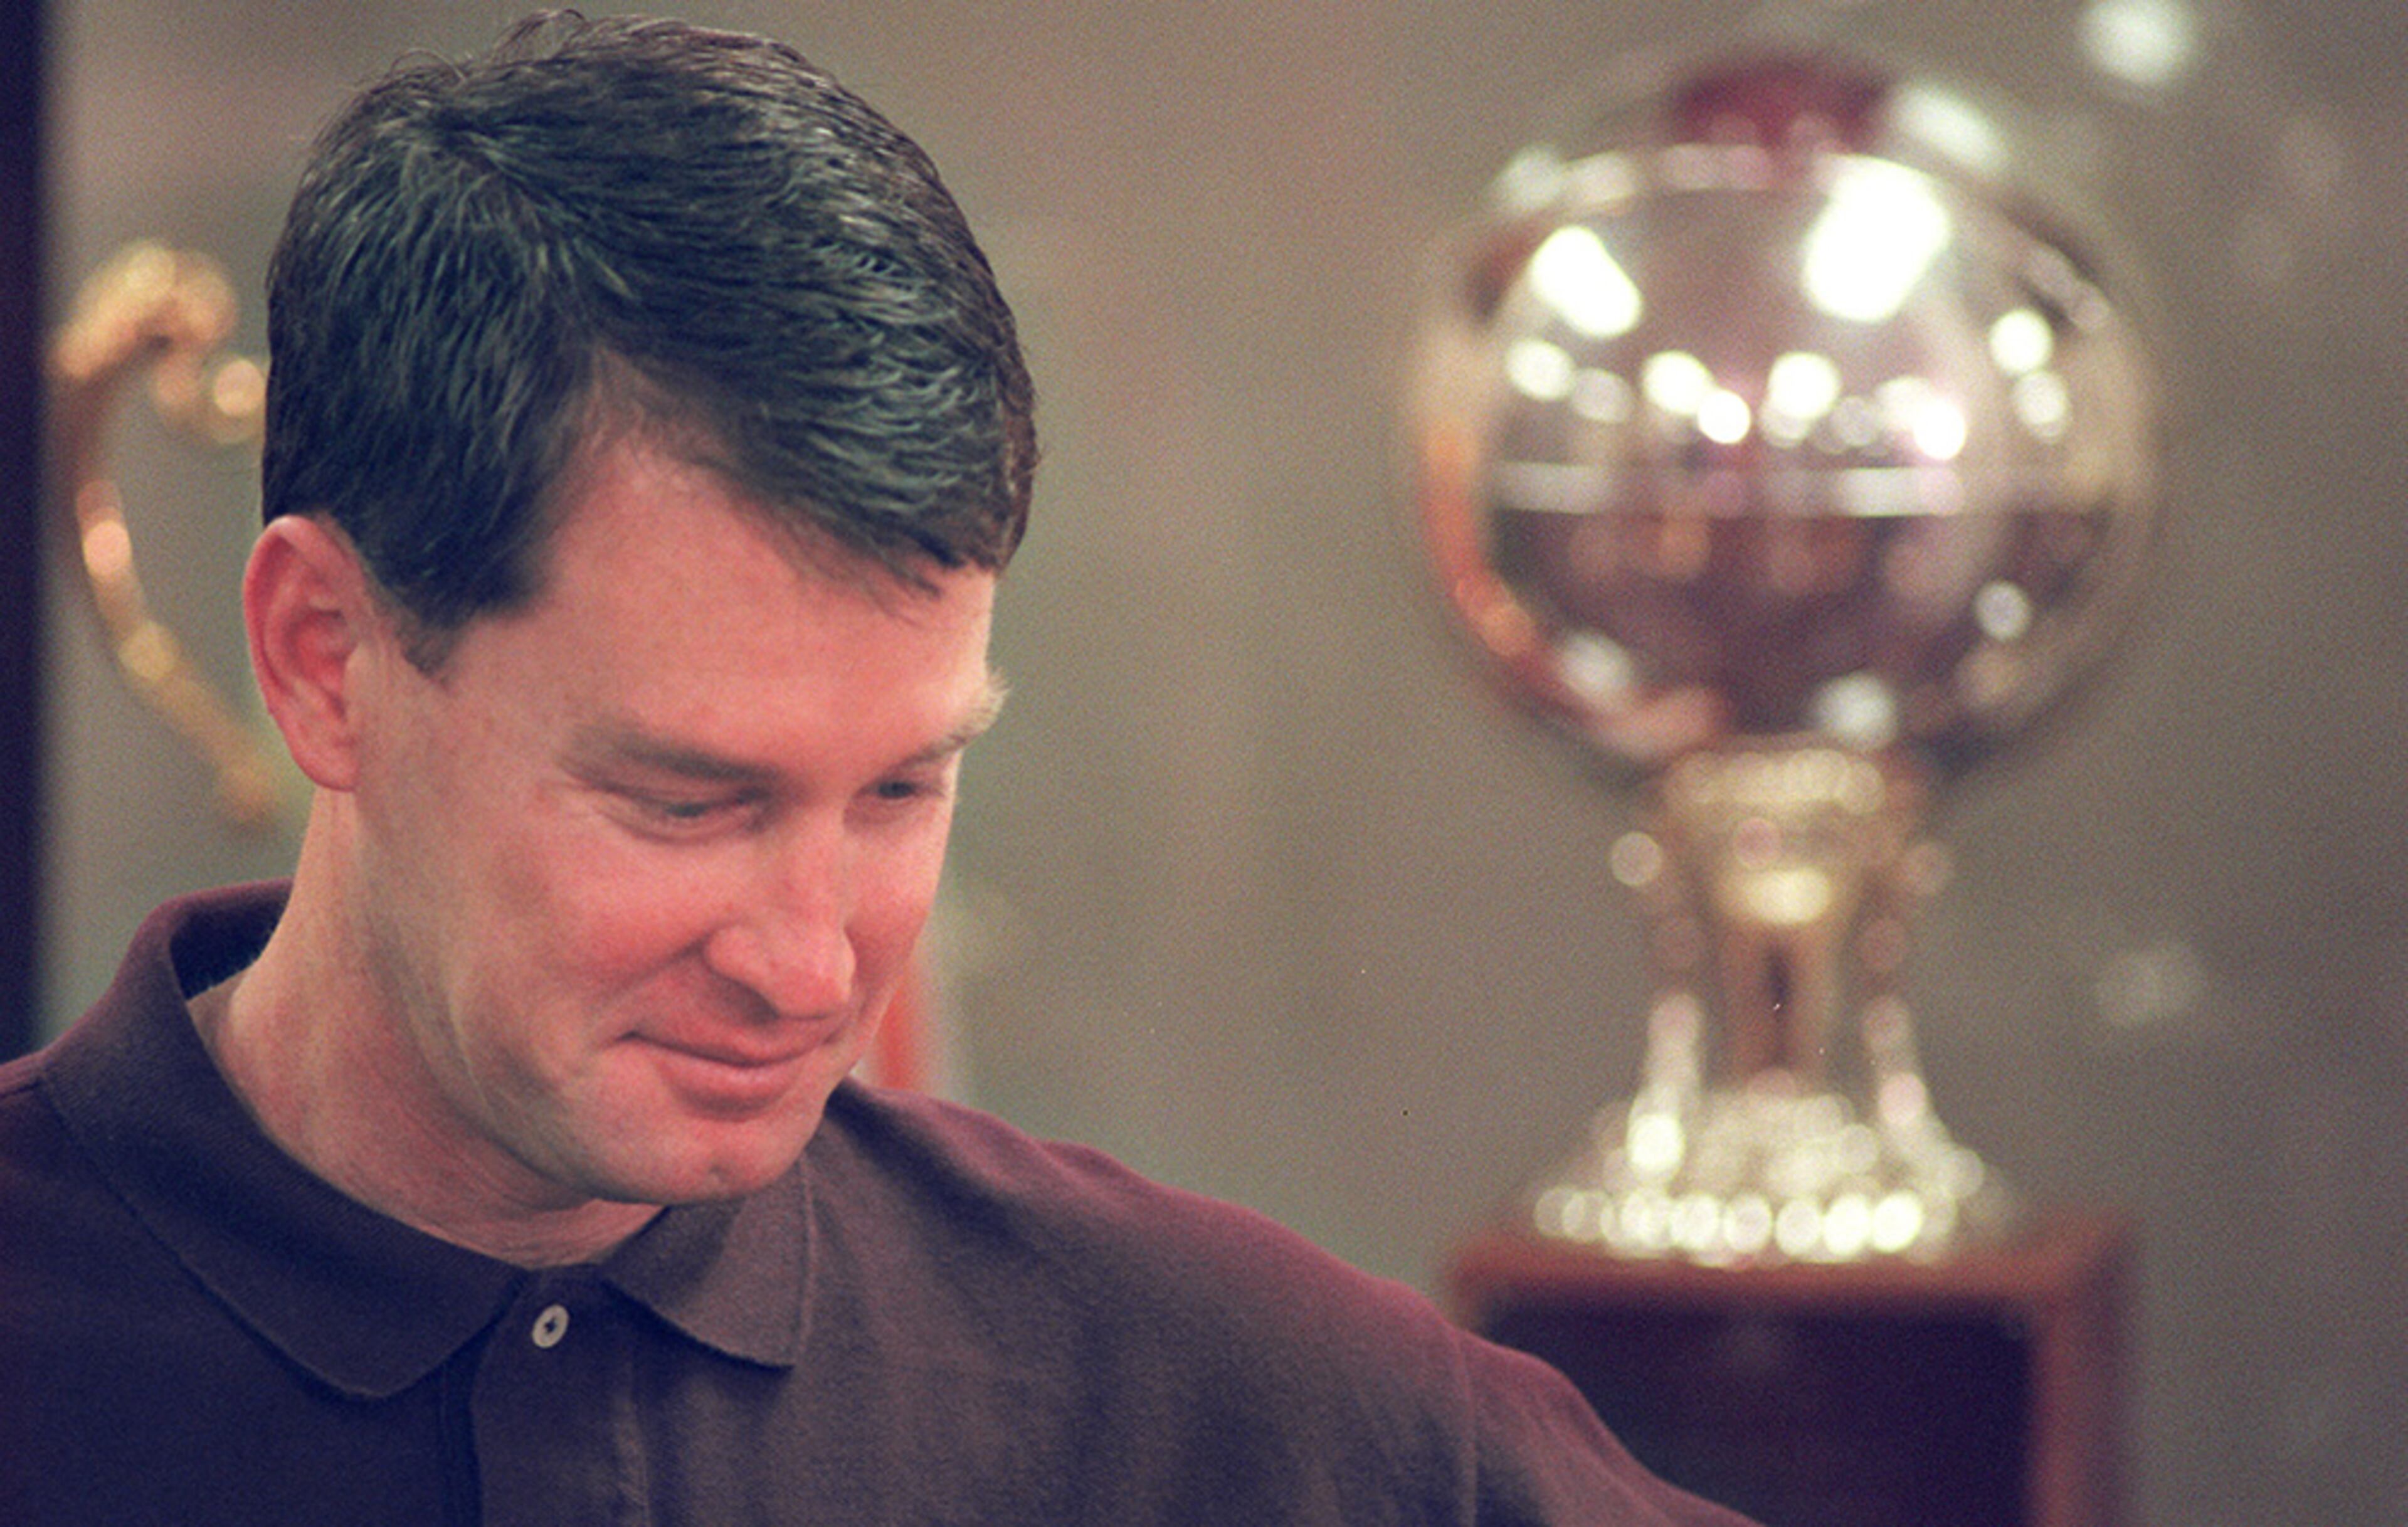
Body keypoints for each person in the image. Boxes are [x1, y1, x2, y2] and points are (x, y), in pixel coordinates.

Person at [0, 13, 1756, 1524]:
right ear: (326, 656)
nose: (812, 962)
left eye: (904, 788)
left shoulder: (1204, 1386)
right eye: (690, 800)